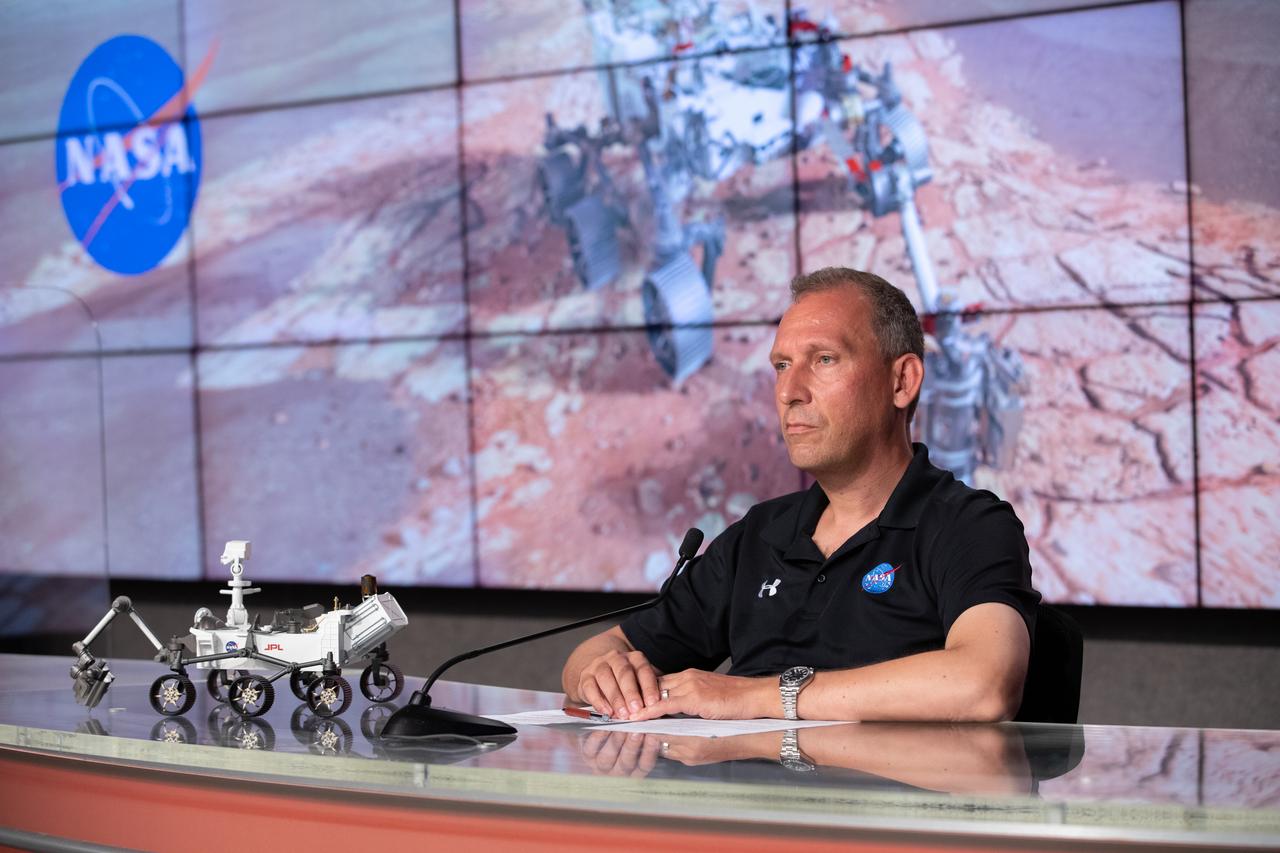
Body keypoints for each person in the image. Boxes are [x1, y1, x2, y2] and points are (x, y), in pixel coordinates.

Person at [561, 267, 1040, 723]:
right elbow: (598, 653)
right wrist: (603, 675)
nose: (790, 390)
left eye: (824, 360)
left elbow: (985, 684)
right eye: (782, 366)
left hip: (887, 805)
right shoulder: (760, 535)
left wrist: (758, 696)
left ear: (902, 381)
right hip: (743, 806)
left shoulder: (969, 525)